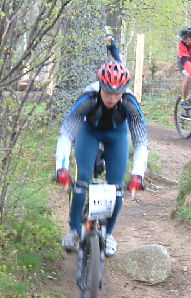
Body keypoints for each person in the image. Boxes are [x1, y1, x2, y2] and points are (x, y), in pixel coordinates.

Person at [55, 61, 148, 257]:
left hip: (117, 136)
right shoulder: (88, 97)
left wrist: (137, 175)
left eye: (117, 94)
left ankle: (109, 233)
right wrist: (61, 169)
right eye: (108, 93)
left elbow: (141, 142)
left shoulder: (130, 102)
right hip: (89, 133)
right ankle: (73, 230)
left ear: (124, 91)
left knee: (117, 189)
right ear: (100, 87)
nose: (112, 98)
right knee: (81, 182)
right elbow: (66, 134)